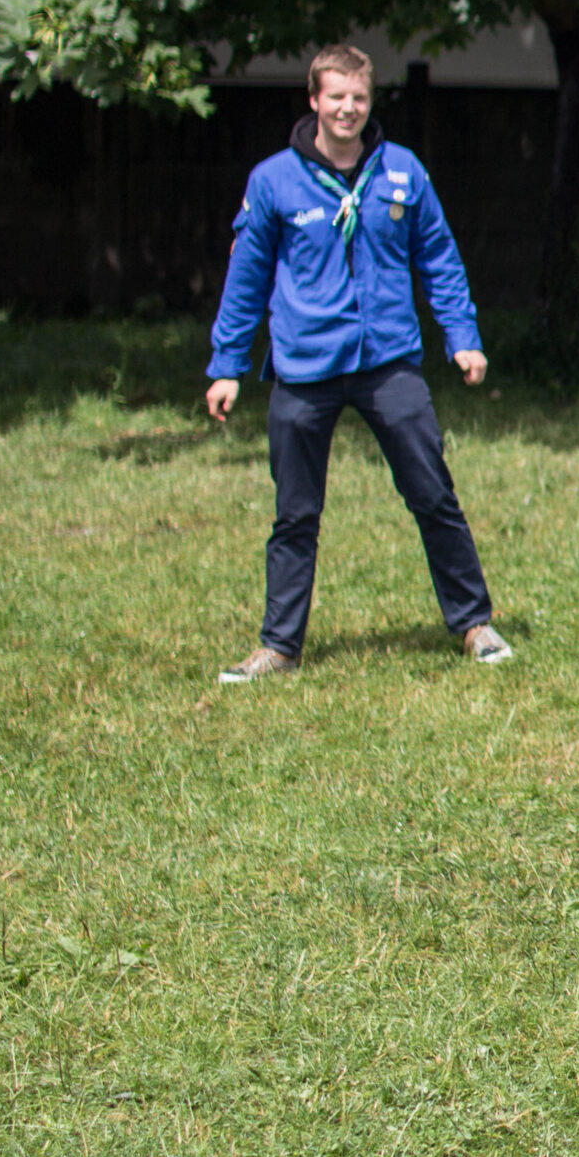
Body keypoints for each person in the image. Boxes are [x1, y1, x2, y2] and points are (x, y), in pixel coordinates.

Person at [205, 43, 510, 681]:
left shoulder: (402, 171)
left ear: (370, 102)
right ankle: (278, 647)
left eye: (359, 98)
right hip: (304, 368)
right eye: (336, 96)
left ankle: (475, 625)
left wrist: (463, 335)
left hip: (388, 363)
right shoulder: (273, 181)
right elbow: (246, 277)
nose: (347, 108)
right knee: (295, 513)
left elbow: (439, 258)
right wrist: (227, 364)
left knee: (433, 494)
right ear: (314, 100)